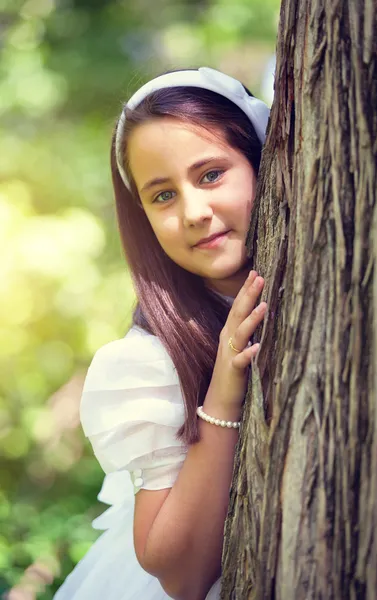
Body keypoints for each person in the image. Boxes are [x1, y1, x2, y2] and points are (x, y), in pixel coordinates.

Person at [53, 66, 270, 600]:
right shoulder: (146, 361)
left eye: (211, 174)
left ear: (262, 162)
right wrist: (223, 387)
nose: (194, 212)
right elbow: (181, 576)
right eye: (163, 196)